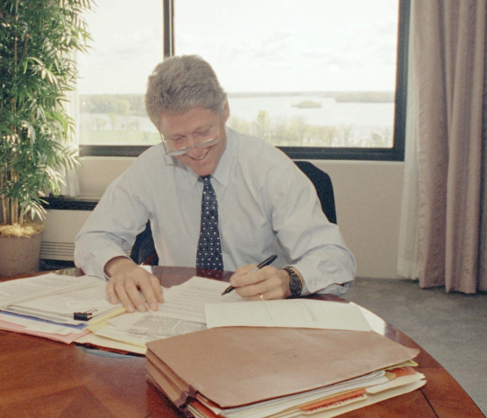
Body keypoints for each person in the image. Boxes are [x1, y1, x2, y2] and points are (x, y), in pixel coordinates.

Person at [74, 55, 356, 313]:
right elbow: (92, 238)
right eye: (177, 139)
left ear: (225, 111)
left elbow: (335, 258)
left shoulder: (270, 169)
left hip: (261, 311)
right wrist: (118, 265)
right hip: (178, 310)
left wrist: (289, 279)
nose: (194, 149)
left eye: (203, 132)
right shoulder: (151, 167)